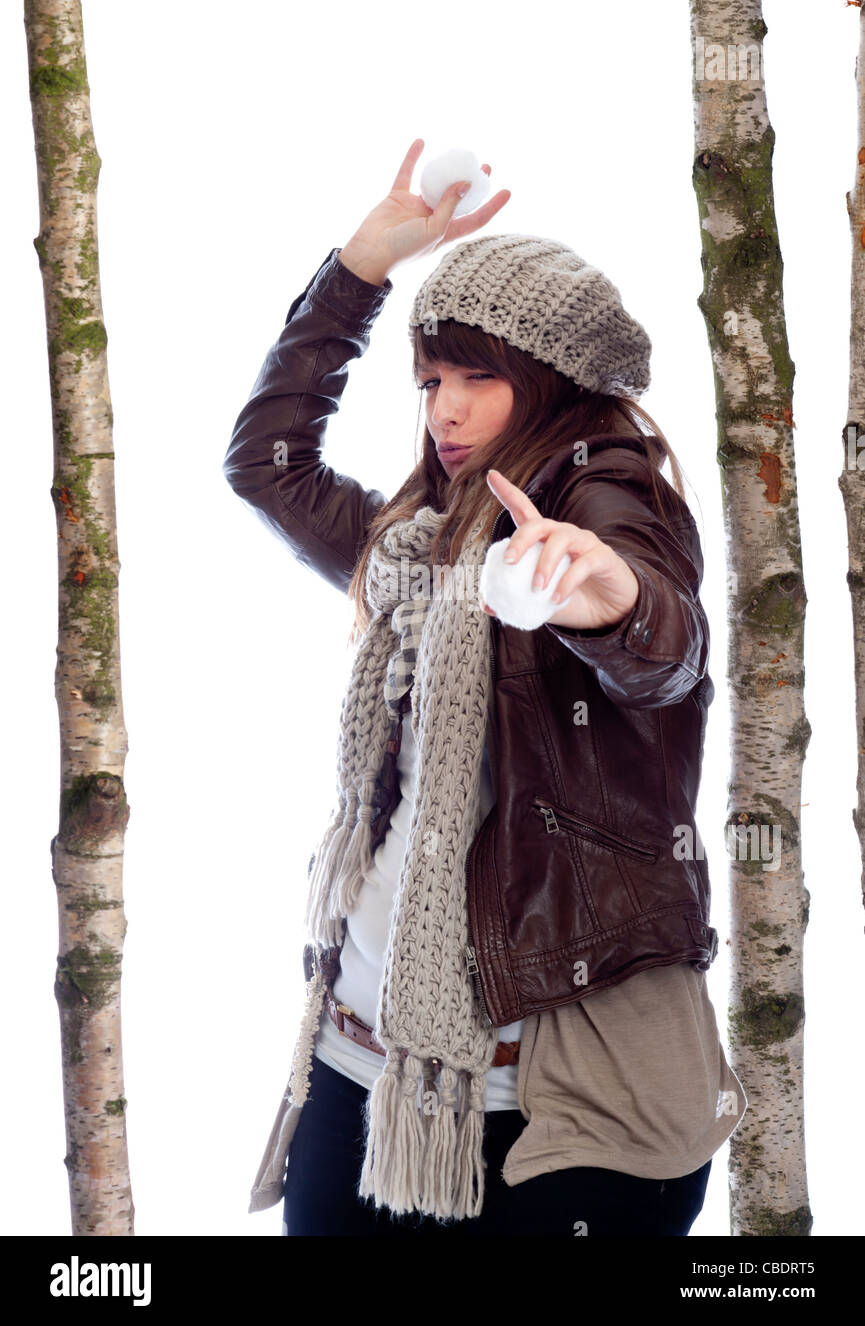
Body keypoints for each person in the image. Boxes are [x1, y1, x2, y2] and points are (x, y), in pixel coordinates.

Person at [222, 138, 747, 1238]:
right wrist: (358, 270)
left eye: (480, 377)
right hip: (360, 1070)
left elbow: (667, 646)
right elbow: (266, 464)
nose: (446, 412)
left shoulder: (602, 497)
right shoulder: (423, 545)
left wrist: (609, 599)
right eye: (431, 381)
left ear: (550, 381)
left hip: (547, 1111)